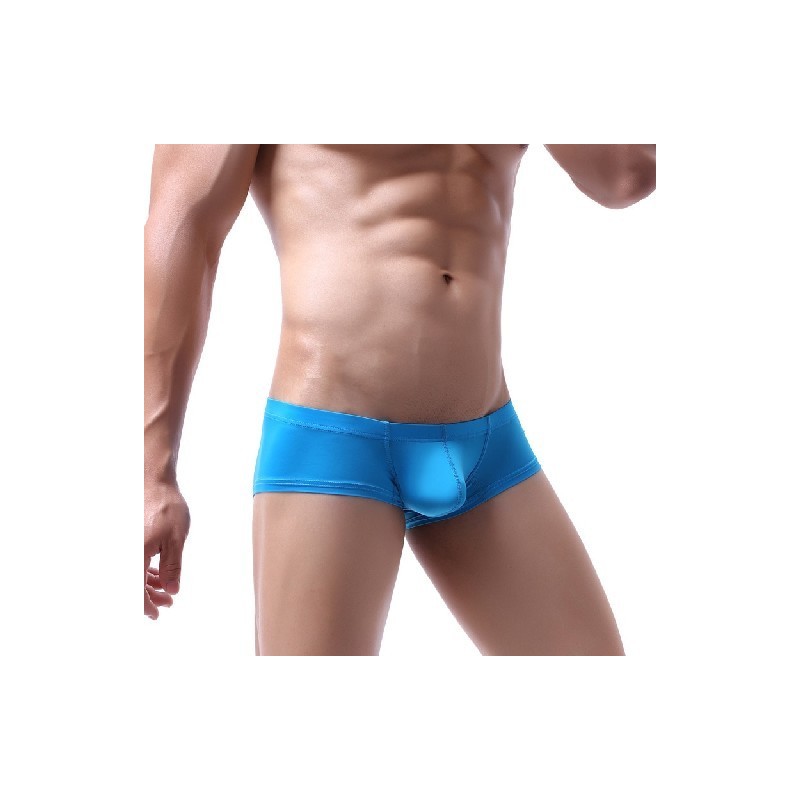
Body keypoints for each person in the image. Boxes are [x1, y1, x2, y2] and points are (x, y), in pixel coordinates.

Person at [144, 144, 656, 655]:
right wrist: (152, 474)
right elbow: (185, 221)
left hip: (488, 444)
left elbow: (624, 176)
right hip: (335, 441)